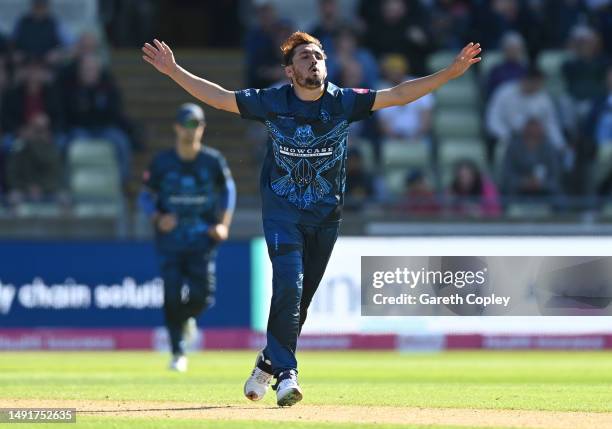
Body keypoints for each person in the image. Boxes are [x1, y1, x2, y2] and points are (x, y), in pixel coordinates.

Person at [142, 31, 480, 406]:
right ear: (289, 71)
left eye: (318, 55)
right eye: (304, 57)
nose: (314, 61)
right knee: (290, 284)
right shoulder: (272, 101)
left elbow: (399, 95)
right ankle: (287, 375)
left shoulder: (343, 101)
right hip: (283, 215)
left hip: (326, 218)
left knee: (299, 303)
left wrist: (448, 73)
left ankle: (267, 362)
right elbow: (221, 99)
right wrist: (174, 71)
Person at [140, 103, 236, 373]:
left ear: (203, 128)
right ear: (176, 127)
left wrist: (223, 224)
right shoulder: (162, 162)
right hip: (170, 240)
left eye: (196, 125)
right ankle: (177, 351)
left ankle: (187, 320)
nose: (190, 131)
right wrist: (158, 218)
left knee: (204, 295)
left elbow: (229, 190)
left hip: (202, 238)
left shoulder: (212, 160)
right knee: (171, 294)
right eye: (186, 125)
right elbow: (145, 196)